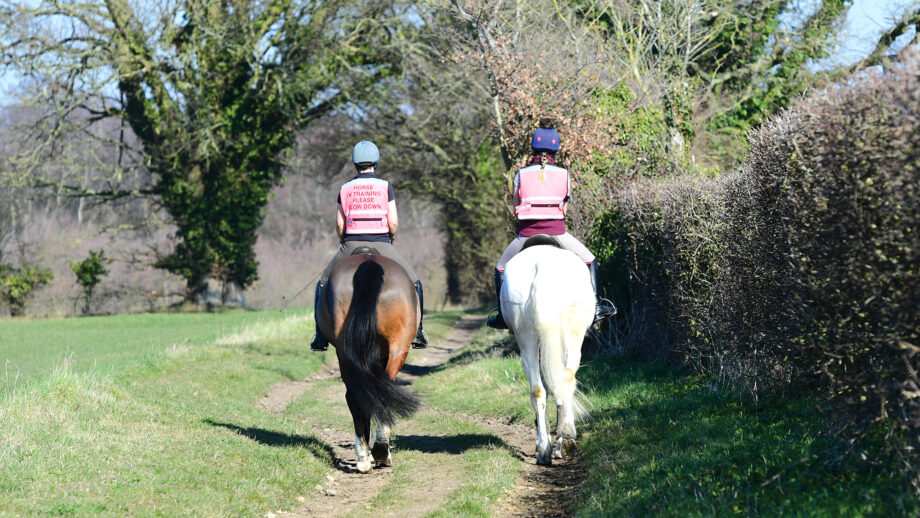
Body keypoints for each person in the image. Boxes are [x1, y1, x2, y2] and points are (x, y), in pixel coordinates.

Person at [487, 123, 617, 329]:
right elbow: (564, 210)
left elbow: (515, 209)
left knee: (500, 267)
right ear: (556, 149)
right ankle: (597, 306)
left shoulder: (521, 175)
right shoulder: (564, 175)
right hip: (557, 232)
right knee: (590, 260)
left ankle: (502, 315)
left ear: (533, 149)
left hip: (526, 234)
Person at [310, 140, 430, 350]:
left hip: (351, 243)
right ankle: (418, 331)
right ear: (375, 161)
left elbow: (340, 224)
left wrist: (343, 241)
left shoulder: (345, 188)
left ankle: (320, 335)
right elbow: (392, 222)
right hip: (381, 242)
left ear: (355, 163)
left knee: (322, 284)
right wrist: (390, 237)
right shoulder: (385, 186)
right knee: (415, 281)